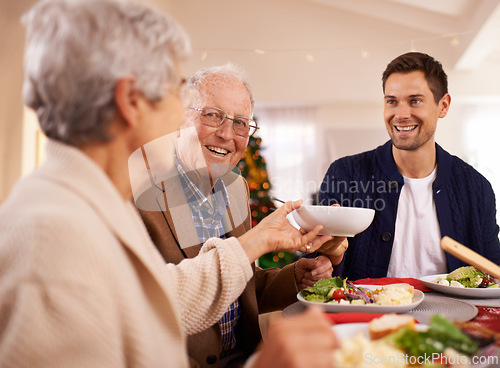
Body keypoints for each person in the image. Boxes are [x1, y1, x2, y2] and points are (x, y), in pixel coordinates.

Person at [0, 0, 338, 367]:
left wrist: (260, 245)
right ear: (131, 101)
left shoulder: (95, 203)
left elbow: (162, 296)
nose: (180, 113)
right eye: (175, 90)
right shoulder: (54, 235)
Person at [135, 63, 345, 367]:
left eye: (240, 123)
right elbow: (144, 307)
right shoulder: (141, 193)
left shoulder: (235, 188)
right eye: (212, 115)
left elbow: (240, 282)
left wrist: (294, 278)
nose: (226, 134)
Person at [318, 51, 500, 280]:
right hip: (366, 315)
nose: (401, 115)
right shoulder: (344, 175)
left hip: (452, 317)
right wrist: (331, 253)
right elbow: (317, 271)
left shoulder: (476, 188)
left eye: (415, 101)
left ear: (443, 106)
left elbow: (493, 275)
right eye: (392, 101)